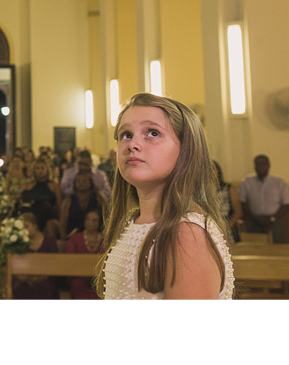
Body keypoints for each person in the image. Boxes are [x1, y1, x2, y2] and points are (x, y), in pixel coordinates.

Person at [96, 93, 234, 299]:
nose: (132, 144)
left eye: (152, 133)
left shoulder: (186, 233)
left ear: (186, 150)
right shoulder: (132, 220)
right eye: (126, 135)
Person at [238, 154, 289, 243]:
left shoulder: (279, 182)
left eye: (262, 163)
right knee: (254, 247)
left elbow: (287, 203)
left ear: (268, 165)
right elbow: (242, 202)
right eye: (257, 164)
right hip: (254, 221)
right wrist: (254, 218)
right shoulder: (247, 181)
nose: (260, 166)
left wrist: (272, 219)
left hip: (274, 221)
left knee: (278, 247)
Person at [11, 209, 59, 299]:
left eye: (26, 226)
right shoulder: (20, 243)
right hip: (24, 278)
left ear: (35, 225)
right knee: (19, 287)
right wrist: (25, 279)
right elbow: (14, 263)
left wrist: (38, 279)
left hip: (45, 277)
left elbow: (53, 264)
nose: (24, 230)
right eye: (22, 228)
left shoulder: (49, 241)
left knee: (45, 288)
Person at [65, 208, 104, 299]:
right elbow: (69, 260)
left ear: (99, 223)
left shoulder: (105, 240)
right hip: (79, 275)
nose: (90, 222)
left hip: (99, 277)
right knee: (77, 284)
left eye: (94, 220)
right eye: (88, 219)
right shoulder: (75, 238)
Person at [59, 170, 106, 238]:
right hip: (74, 236)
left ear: (90, 183)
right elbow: (63, 222)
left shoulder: (98, 197)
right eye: (78, 181)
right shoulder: (68, 200)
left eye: (84, 181)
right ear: (74, 183)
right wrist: (64, 238)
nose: (81, 183)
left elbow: (107, 217)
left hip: (96, 236)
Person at [213, 160, 243, 242]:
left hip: (227, 230)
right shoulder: (200, 192)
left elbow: (238, 213)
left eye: (213, 170)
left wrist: (225, 229)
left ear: (218, 172)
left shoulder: (229, 189)